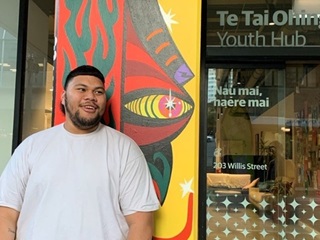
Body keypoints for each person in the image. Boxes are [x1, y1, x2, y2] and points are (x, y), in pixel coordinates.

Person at [0, 65, 160, 240]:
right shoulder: (31, 146)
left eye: (98, 92)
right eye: (81, 89)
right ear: (63, 97)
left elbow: (141, 223)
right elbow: (6, 212)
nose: (90, 96)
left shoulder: (125, 149)